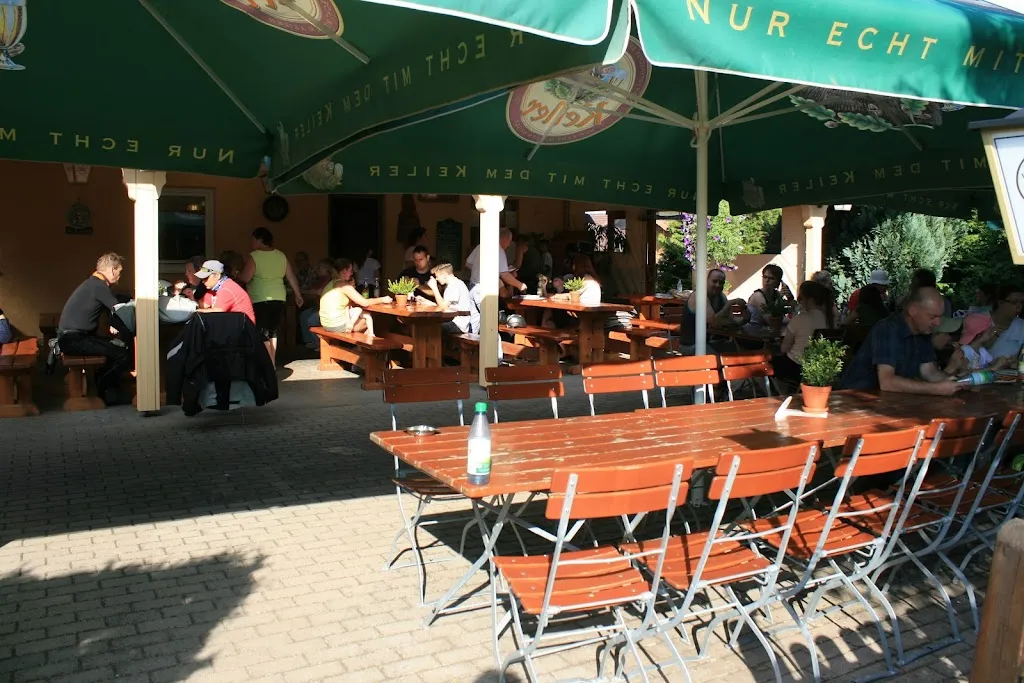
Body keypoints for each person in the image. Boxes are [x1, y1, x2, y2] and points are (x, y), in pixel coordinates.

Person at [839, 287, 962, 395]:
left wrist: (962, 382)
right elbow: (887, 382)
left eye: (939, 316)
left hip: (887, 402)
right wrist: (936, 389)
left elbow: (930, 372)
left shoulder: (923, 332)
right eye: (933, 317)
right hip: (855, 400)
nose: (938, 323)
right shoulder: (887, 329)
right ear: (913, 310)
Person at [57, 253, 133, 405]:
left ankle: (105, 389)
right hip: (74, 340)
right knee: (122, 354)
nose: (119, 276)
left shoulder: (92, 283)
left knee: (114, 347)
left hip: (72, 338)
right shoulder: (99, 286)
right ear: (112, 270)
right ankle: (101, 389)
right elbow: (119, 310)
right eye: (119, 272)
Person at [237, 227, 303, 366]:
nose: (252, 242)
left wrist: (237, 275)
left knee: (262, 331)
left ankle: (268, 364)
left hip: (261, 298)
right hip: (279, 298)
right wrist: (298, 294)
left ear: (260, 239)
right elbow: (291, 277)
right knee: (273, 331)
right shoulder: (281, 255)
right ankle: (271, 363)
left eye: (254, 239)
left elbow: (246, 278)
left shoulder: (254, 256)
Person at [774, 281, 834, 381]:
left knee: (766, 360)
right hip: (818, 368)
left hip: (796, 367)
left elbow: (784, 348)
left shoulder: (800, 318)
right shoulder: (829, 319)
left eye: (800, 298)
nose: (799, 301)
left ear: (809, 299)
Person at [319, 259, 392, 337]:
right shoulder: (344, 286)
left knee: (364, 318)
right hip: (336, 325)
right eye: (350, 271)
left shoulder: (332, 282)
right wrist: (383, 299)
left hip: (326, 323)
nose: (352, 273)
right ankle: (363, 346)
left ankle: (360, 346)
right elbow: (364, 302)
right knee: (372, 319)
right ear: (344, 271)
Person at [681, 268, 749, 348]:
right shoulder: (699, 295)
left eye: (721, 283)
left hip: (709, 342)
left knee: (736, 349)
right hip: (692, 346)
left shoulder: (720, 296)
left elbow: (729, 319)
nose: (718, 285)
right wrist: (730, 303)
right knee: (728, 353)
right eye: (714, 281)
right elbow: (714, 323)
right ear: (707, 281)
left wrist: (744, 319)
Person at [465, 228, 528, 303]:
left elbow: (468, 264)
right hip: (486, 291)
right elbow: (504, 275)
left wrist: (483, 271)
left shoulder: (480, 246)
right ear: (506, 239)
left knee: (476, 315)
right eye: (509, 242)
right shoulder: (498, 249)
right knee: (488, 315)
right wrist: (520, 285)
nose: (508, 245)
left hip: (473, 288)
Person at [195, 259, 256, 324]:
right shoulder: (215, 289)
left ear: (216, 275)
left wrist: (194, 311)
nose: (203, 281)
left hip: (243, 329)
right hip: (234, 325)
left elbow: (217, 313)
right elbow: (202, 305)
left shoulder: (226, 289)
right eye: (202, 279)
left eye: (206, 278)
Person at [426, 261, 478, 335]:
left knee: (430, 328)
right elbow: (445, 306)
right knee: (429, 326)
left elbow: (442, 307)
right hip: (454, 320)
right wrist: (429, 303)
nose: (436, 279)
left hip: (458, 324)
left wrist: (434, 288)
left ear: (444, 275)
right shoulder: (454, 283)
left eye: (437, 276)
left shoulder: (454, 285)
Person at [299, 259, 337, 348]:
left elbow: (318, 292)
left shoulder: (329, 280)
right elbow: (311, 290)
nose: (317, 269)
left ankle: (319, 344)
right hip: (317, 307)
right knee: (304, 315)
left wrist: (305, 291)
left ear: (327, 269)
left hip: (326, 309)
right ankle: (310, 341)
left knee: (311, 320)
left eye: (320, 267)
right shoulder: (320, 279)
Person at [988, 284, 1024, 359]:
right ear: (1000, 303)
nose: (1019, 306)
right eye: (1014, 302)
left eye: (1022, 302)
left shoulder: (1021, 326)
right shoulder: (980, 322)